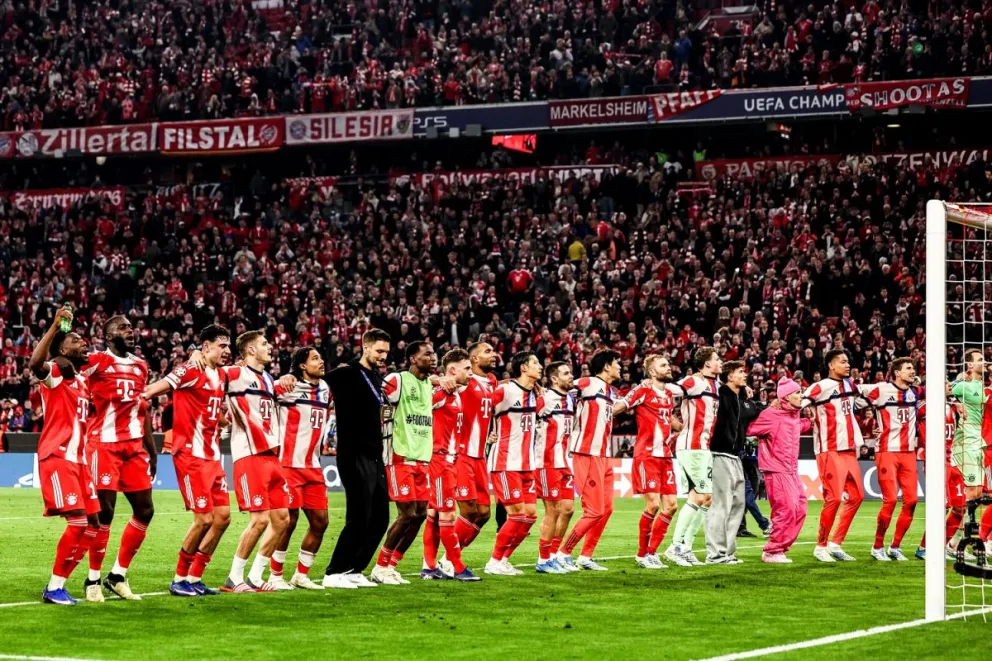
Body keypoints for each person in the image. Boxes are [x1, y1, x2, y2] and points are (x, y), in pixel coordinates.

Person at [142, 324, 233, 597]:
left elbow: (211, 409)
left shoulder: (220, 375)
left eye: (228, 346)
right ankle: (179, 578)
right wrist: (139, 396)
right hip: (191, 456)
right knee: (204, 519)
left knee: (223, 518)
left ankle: (195, 577)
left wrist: (226, 422)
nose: (227, 351)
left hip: (213, 456)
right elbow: (159, 386)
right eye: (222, 346)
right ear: (206, 347)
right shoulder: (191, 370)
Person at [29, 307, 101, 605]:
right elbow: (35, 364)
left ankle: (61, 583)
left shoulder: (82, 381)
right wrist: (57, 326)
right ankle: (54, 586)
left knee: (94, 525)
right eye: (75, 340)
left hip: (80, 462)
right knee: (78, 523)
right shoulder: (56, 373)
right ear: (61, 348)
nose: (83, 342)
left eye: (84, 339)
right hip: (58, 457)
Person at [81, 315, 155, 601]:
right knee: (104, 513)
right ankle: (92, 579)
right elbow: (65, 366)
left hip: (133, 448)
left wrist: (151, 448)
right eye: (123, 328)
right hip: (104, 445)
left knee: (145, 510)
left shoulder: (141, 366)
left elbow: (142, 409)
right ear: (109, 335)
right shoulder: (97, 360)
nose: (131, 331)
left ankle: (118, 575)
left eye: (131, 327)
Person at [220, 330, 293, 592]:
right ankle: (233, 577)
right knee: (259, 520)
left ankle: (254, 576)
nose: (270, 346)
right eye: (264, 343)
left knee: (282, 519)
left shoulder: (269, 380)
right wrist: (197, 353)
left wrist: (286, 377)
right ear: (250, 350)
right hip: (248, 455)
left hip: (272, 456)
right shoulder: (235, 374)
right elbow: (209, 378)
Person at [323, 329, 392, 587]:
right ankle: (334, 572)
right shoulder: (346, 373)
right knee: (359, 515)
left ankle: (354, 569)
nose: (383, 356)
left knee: (380, 518)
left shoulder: (375, 377)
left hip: (375, 454)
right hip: (353, 453)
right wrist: (288, 376)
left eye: (386, 351)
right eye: (379, 351)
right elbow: (314, 380)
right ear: (365, 347)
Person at [370, 341, 436, 586]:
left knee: (420, 514)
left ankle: (391, 564)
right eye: (427, 354)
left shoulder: (429, 384)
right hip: (400, 456)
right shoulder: (397, 380)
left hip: (422, 458)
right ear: (412, 358)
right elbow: (377, 402)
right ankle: (379, 566)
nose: (433, 357)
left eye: (434, 353)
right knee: (406, 513)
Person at [268, 346, 332, 590]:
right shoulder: (288, 386)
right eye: (315, 358)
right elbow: (262, 394)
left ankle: (301, 575)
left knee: (320, 521)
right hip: (288, 465)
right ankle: (275, 576)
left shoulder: (326, 389)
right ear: (302, 365)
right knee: (288, 521)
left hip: (313, 466)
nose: (321, 361)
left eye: (320, 356)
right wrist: (281, 378)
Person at [614, 354, 682, 569]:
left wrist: (680, 426)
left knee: (671, 506)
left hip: (666, 457)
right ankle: (642, 554)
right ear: (652, 372)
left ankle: (652, 553)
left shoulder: (669, 394)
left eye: (668, 364)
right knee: (653, 505)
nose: (668, 367)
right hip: (647, 456)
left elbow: (668, 418)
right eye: (663, 365)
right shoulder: (642, 390)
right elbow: (621, 406)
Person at [421, 348, 481, 581]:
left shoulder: (455, 393)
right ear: (452, 370)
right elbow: (415, 405)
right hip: (438, 461)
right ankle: (457, 567)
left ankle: (428, 567)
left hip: (449, 461)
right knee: (446, 514)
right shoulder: (438, 393)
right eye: (466, 368)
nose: (470, 373)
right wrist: (435, 380)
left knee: (435, 514)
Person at [803, 349, 868, 562]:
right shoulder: (819, 387)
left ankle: (836, 543)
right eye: (843, 361)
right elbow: (800, 403)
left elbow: (858, 403)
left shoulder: (850, 386)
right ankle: (820, 547)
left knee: (857, 497)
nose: (847, 365)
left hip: (849, 450)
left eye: (848, 361)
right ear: (831, 365)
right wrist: (804, 413)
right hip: (829, 449)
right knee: (834, 498)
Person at [560, 349, 622, 572]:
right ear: (606, 366)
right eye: (617, 363)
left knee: (606, 509)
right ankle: (563, 553)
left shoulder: (610, 392)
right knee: (594, 510)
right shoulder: (587, 383)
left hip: (603, 456)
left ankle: (586, 556)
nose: (620, 367)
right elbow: (561, 388)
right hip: (585, 454)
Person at [484, 352, 542, 576]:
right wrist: (488, 433)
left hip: (527, 464)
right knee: (517, 514)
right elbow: (480, 409)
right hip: (505, 462)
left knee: (529, 516)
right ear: (524, 367)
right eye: (535, 363)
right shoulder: (505, 391)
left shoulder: (538, 395)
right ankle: (494, 561)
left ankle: (504, 559)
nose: (540, 366)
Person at [859, 357, 921, 562]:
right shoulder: (881, 390)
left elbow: (944, 391)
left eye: (913, 368)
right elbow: (854, 398)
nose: (913, 372)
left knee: (911, 500)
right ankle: (878, 546)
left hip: (909, 453)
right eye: (908, 368)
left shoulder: (916, 392)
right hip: (887, 451)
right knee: (891, 500)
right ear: (896, 372)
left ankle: (895, 546)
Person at [664, 346, 722, 567]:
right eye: (717, 359)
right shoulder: (695, 382)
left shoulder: (714, 385)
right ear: (707, 363)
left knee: (707, 499)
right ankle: (675, 546)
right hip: (692, 447)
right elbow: (670, 389)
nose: (720, 362)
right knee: (699, 497)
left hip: (702, 448)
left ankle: (686, 547)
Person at [747, 378, 811, 563]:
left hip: (791, 469)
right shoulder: (770, 414)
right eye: (797, 393)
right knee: (786, 509)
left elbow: (797, 426)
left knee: (801, 508)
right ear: (786, 396)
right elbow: (749, 429)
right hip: (776, 470)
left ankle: (781, 547)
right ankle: (772, 551)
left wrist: (813, 422)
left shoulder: (793, 415)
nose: (801, 396)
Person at [705, 360, 761, 565]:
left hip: (736, 456)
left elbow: (753, 411)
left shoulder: (739, 398)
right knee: (721, 505)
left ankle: (727, 552)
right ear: (729, 377)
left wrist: (750, 398)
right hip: (719, 454)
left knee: (738, 504)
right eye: (740, 372)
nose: (744, 375)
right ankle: (715, 554)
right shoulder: (720, 394)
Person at [454, 342, 499, 550]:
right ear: (473, 359)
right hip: (461, 455)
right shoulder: (465, 381)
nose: (494, 354)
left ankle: (450, 558)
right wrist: (440, 378)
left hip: (481, 457)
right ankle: (447, 560)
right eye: (487, 352)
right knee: (468, 511)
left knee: (484, 514)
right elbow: (444, 380)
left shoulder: (492, 381)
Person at [534, 361, 577, 574]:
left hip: (564, 463)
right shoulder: (545, 399)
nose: (571, 376)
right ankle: (543, 560)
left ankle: (553, 554)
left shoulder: (569, 399)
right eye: (566, 373)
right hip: (546, 463)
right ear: (554, 379)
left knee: (568, 509)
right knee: (552, 510)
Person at [915, 384, 966, 560]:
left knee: (960, 507)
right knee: (940, 507)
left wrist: (956, 403)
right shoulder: (923, 407)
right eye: (945, 384)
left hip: (951, 461)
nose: (949, 386)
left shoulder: (952, 406)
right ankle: (924, 547)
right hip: (935, 463)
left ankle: (941, 546)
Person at [951, 350, 986, 526]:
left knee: (978, 493)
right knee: (971, 492)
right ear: (970, 365)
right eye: (980, 360)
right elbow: (943, 389)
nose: (985, 362)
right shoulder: (963, 386)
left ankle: (956, 541)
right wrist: (956, 401)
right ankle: (957, 540)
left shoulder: (983, 386)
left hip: (980, 442)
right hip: (966, 441)